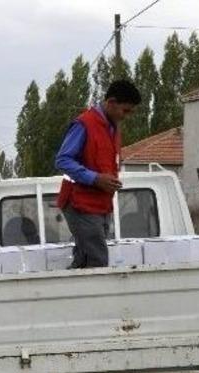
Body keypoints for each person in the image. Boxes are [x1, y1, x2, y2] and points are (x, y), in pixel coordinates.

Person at [55, 79, 142, 268]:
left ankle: (72, 295)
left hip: (99, 204)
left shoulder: (112, 127)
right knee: (97, 260)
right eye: (125, 110)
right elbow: (63, 160)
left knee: (85, 259)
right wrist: (95, 179)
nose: (127, 116)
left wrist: (106, 181)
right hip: (80, 203)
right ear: (111, 103)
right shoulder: (84, 124)